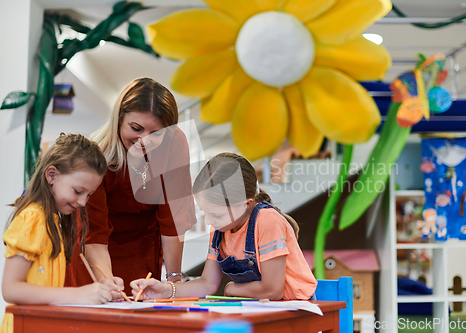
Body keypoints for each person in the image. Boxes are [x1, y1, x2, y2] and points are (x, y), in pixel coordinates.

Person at [65, 77, 197, 296]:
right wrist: (107, 283)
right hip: (96, 252)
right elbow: (94, 235)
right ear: (118, 119)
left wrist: (174, 284)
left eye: (156, 134)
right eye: (136, 128)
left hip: (143, 248)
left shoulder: (174, 143)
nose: (144, 141)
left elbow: (173, 217)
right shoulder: (96, 156)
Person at [130, 153, 317, 301]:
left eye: (216, 215)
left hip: (297, 306)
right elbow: (207, 284)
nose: (210, 221)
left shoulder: (267, 221)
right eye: (206, 213)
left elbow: (273, 290)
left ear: (246, 203)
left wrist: (231, 288)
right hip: (261, 307)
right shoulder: (220, 229)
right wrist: (164, 290)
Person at [2, 134, 115, 333]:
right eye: (78, 191)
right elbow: (11, 289)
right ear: (52, 175)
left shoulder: (53, 220)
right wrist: (77, 295)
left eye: (89, 195)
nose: (83, 202)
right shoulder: (33, 218)